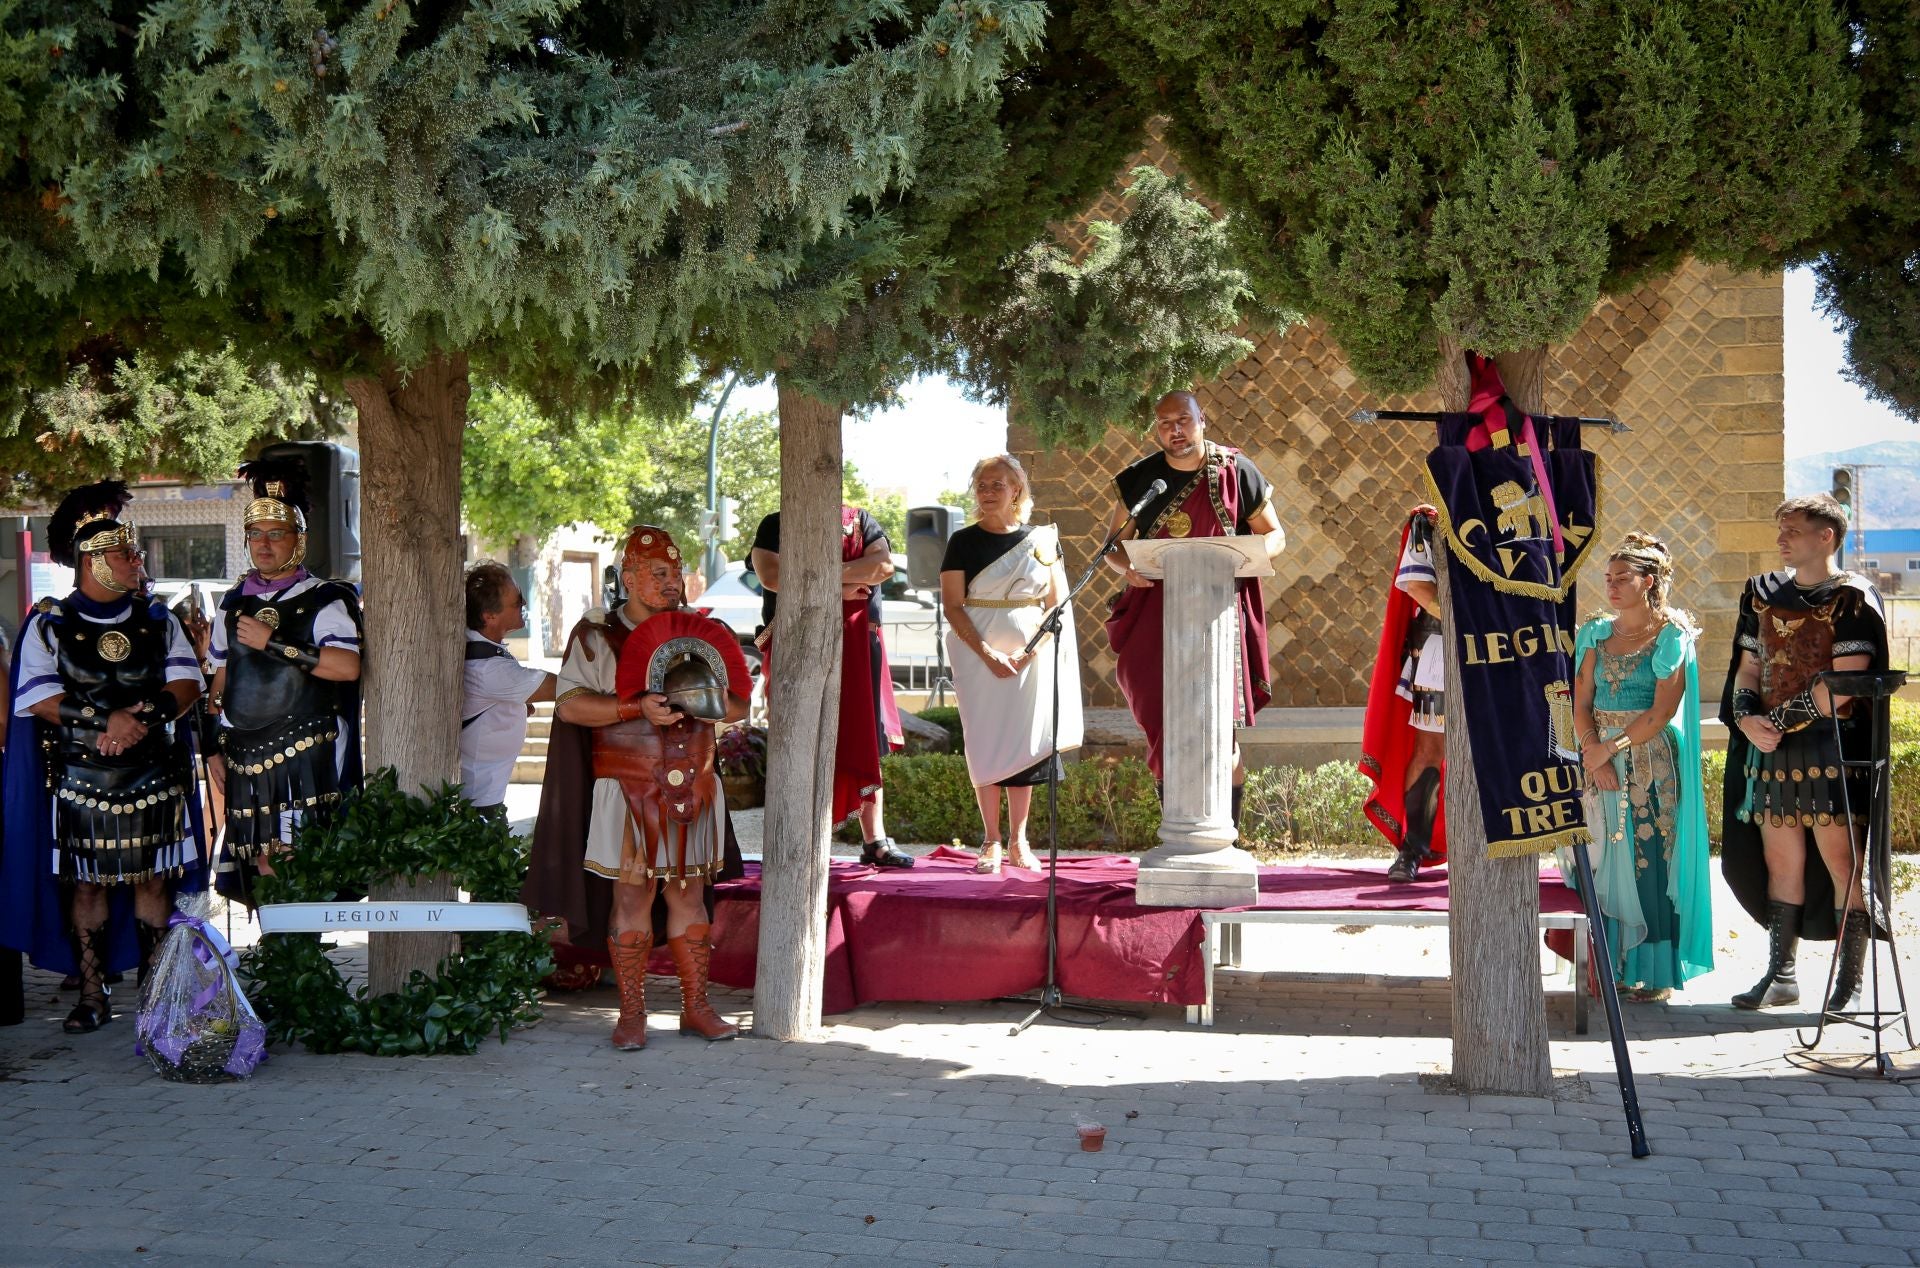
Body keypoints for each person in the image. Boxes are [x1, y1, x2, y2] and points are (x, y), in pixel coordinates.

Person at [525, 526, 751, 1048]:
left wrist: (708, 701)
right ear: (629, 578)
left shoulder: (702, 632)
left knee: (689, 896)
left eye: (676, 572)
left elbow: (738, 707)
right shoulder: (596, 634)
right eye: (658, 573)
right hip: (625, 787)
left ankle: (696, 1008)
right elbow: (570, 706)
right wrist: (634, 707)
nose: (672, 582)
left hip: (693, 783)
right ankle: (631, 1015)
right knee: (631, 896)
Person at [0, 482, 205, 1033]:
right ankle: (93, 994)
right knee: (86, 885)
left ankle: (157, 995)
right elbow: (36, 696)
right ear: (92, 560)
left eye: (135, 553)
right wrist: (105, 721)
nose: (138, 562)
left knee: (153, 881)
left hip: (154, 772)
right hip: (80, 776)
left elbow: (187, 683)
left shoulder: (159, 619)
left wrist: (143, 718)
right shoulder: (48, 623)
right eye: (125, 554)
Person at [1721, 495, 1889, 1011]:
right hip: (1773, 753)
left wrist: (1772, 723)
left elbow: (1843, 684)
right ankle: (1781, 976)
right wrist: (1747, 718)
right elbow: (1749, 668)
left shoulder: (1852, 598)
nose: (1781, 539)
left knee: (1842, 864)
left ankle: (1849, 985)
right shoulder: (1762, 594)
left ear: (1826, 536)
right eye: (1781, 530)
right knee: (1780, 864)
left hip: (1831, 750)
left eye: (1792, 530)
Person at [1103, 390, 1284, 827]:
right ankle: (1177, 829)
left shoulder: (1236, 471)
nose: (1175, 430)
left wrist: (1249, 558)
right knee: (1162, 722)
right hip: (1156, 612)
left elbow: (1275, 535)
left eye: (1183, 420)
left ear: (1202, 419)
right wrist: (1127, 568)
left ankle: (1228, 834)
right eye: (1165, 423)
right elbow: (1113, 546)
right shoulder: (1142, 479)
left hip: (1219, 614)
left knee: (1222, 730)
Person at [1559, 534, 1712, 1002]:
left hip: (1648, 760)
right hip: (1596, 756)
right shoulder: (1594, 633)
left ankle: (1655, 972)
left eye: (1622, 578)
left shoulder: (1671, 636)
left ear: (1648, 581)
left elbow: (1662, 711)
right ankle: (1611, 969)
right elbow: (1580, 701)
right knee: (1601, 854)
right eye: (1608, 578)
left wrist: (1611, 748)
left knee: (1649, 857)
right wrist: (1592, 749)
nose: (1611, 586)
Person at [205, 460, 363, 880]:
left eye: (276, 534)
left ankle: (298, 927)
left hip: (304, 750)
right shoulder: (233, 603)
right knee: (260, 861)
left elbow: (347, 667)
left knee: (295, 858)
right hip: (244, 752)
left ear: (298, 539)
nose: (263, 544)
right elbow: (220, 680)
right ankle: (274, 927)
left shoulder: (324, 599)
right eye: (255, 534)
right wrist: (211, 746)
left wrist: (273, 642)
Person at [939, 456, 1083, 874]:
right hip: (976, 657)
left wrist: (1030, 651)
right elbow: (952, 605)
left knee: (1025, 744)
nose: (987, 492)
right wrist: (988, 653)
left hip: (1030, 657)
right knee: (984, 740)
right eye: (982, 485)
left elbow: (1056, 603)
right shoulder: (962, 541)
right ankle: (991, 841)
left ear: (1016, 490)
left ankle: (1019, 841)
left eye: (997, 484)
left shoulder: (1042, 540)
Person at [750, 504, 912, 867]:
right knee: (799, 737)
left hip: (859, 643)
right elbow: (773, 576)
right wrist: (841, 586)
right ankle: (796, 840)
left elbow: (882, 567)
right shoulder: (777, 523)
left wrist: (820, 578)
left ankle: (875, 839)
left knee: (864, 735)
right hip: (798, 642)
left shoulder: (860, 521)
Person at [1360, 505, 1449, 883]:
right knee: (1429, 748)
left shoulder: (1509, 516)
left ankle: (1486, 848)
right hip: (1439, 647)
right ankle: (1413, 848)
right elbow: (1417, 586)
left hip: (1500, 650)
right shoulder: (1428, 522)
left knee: (1492, 749)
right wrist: (1470, 622)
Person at [461, 562, 556, 818]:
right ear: (489, 616)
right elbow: (561, 687)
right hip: (479, 800)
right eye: (517, 602)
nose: (523, 604)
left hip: (485, 794)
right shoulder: (488, 668)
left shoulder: (483, 649)